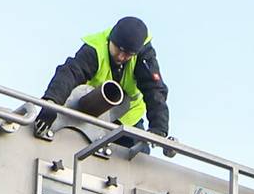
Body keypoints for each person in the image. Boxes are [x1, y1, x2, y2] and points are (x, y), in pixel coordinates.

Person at [34, 15, 168, 146]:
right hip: (88, 114)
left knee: (137, 157)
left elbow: (154, 89)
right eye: (119, 49)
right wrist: (51, 103)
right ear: (111, 40)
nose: (121, 57)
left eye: (128, 54)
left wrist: (159, 127)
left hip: (127, 118)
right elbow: (70, 74)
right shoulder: (95, 49)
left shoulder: (144, 56)